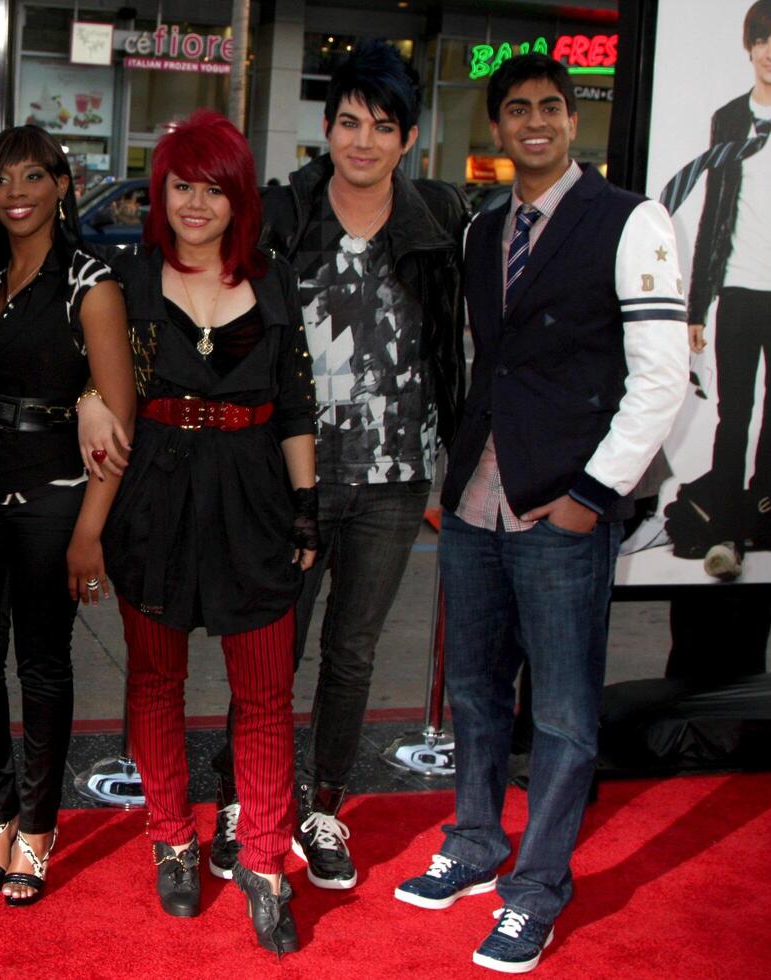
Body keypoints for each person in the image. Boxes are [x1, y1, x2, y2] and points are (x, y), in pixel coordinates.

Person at [392, 54, 688, 974]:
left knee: (561, 717)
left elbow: (661, 381)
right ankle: (476, 845)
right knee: (476, 692)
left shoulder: (631, 219)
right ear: (496, 127)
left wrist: (591, 499)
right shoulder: (485, 232)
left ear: (573, 120)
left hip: (564, 507)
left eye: (550, 107)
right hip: (478, 503)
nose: (534, 122)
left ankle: (537, 890)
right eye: (516, 108)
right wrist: (454, 486)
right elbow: (492, 368)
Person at [202, 39, 467, 892]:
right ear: (326, 127)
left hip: (394, 481)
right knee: (271, 646)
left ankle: (322, 807)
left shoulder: (439, 223)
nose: (362, 141)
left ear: (409, 139)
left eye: (381, 127)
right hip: (295, 476)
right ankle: (246, 800)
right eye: (348, 122)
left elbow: (458, 346)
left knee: (352, 653)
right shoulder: (282, 216)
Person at [85, 110, 319, 955]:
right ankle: (173, 840)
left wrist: (305, 503)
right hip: (154, 497)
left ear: (239, 198)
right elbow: (91, 377)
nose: (195, 203)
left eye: (213, 189)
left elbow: (295, 404)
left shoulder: (280, 280)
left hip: (255, 499)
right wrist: (85, 399)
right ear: (161, 192)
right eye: (181, 186)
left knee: (263, 695)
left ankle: (262, 863)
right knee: (155, 683)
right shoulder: (126, 280)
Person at [0, 125, 133, 906]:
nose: (15, 191)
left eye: (33, 176)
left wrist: (90, 531)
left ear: (62, 184)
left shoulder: (91, 281)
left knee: (43, 664)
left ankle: (39, 826)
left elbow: (119, 417)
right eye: (1, 178)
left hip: (54, 497)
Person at [673, 0, 771, 577]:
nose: (769, 51)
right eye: (761, 39)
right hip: (736, 291)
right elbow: (712, 214)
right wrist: (697, 304)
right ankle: (728, 535)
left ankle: (759, 510)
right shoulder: (729, 118)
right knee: (734, 415)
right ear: (749, 46)